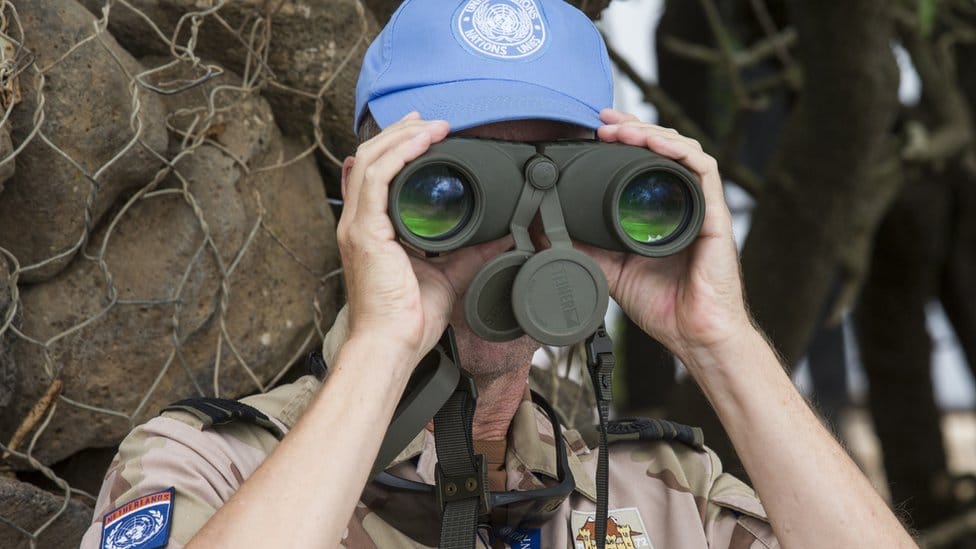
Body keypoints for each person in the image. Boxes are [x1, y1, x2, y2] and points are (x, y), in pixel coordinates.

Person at [81, 1, 917, 548]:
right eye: (453, 185)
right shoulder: (214, 466)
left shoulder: (658, 498)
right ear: (367, 191)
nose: (519, 226)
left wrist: (720, 339)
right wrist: (386, 343)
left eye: (556, 171)